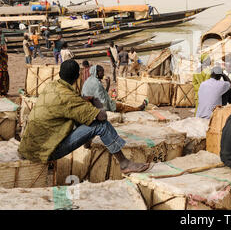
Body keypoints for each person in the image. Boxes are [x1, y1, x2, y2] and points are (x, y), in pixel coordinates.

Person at [18, 60, 150, 174]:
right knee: (101, 126)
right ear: (77, 77)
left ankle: (87, 143)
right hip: (46, 151)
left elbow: (68, 101)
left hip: (28, 148)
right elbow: (102, 116)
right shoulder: (70, 98)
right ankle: (125, 164)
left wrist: (84, 100)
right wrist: (96, 103)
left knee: (81, 115)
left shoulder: (51, 86)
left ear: (59, 74)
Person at [82, 65, 147, 113]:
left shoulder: (88, 80)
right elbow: (103, 102)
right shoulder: (97, 84)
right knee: (122, 106)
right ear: (96, 73)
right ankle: (139, 108)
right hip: (97, 107)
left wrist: (108, 85)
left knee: (116, 103)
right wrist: (112, 106)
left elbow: (102, 94)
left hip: (90, 105)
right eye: (101, 72)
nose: (103, 74)